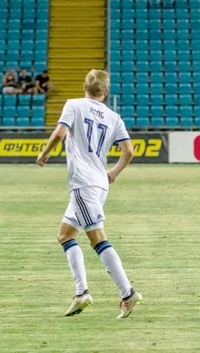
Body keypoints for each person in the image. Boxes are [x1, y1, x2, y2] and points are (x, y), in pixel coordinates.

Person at [36, 69, 142, 319]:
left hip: (83, 183)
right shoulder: (114, 116)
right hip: (98, 182)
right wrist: (113, 173)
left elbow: (61, 133)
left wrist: (46, 152)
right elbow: (128, 151)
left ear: (84, 87)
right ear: (105, 92)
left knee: (97, 238)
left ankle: (127, 293)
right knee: (65, 235)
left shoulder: (73, 105)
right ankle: (81, 292)